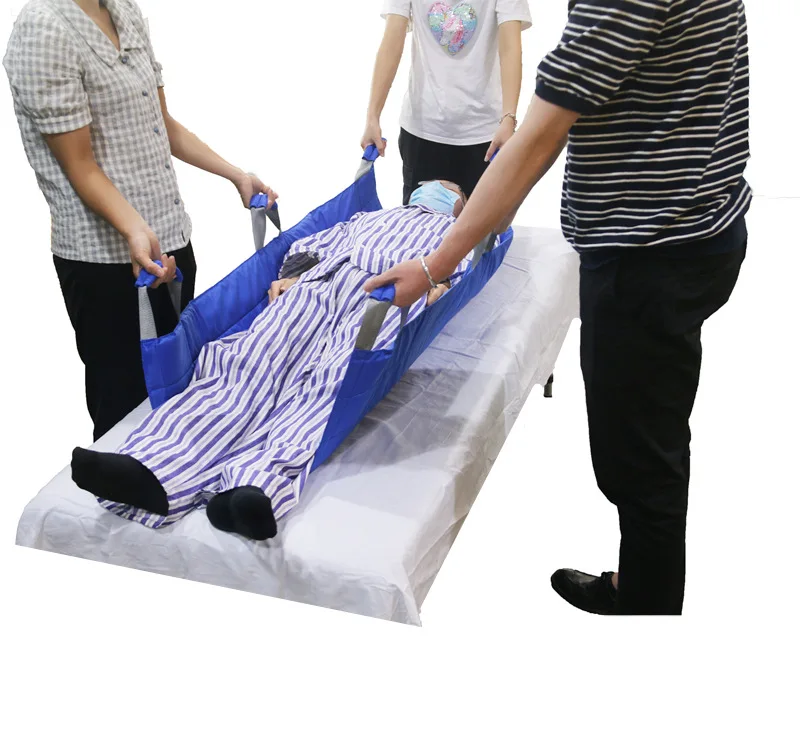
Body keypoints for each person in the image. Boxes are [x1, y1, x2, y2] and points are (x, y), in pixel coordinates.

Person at [366, 0, 752, 615]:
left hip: (650, 252)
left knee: (639, 454)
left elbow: (541, 136)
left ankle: (645, 605)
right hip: (699, 220)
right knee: (653, 430)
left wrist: (438, 263)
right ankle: (642, 579)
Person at [70, 180, 492, 541]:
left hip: (385, 301)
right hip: (321, 285)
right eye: (436, 185)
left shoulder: (456, 233)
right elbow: (316, 244)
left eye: (450, 188)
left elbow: (454, 274)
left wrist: (435, 292)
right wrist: (291, 275)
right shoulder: (370, 217)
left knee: (329, 381)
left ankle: (253, 489)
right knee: (251, 358)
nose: (439, 187)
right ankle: (153, 468)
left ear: (459, 205)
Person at [3, 0, 277, 441]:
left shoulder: (122, 10)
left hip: (166, 243)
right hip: (108, 263)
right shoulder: (43, 28)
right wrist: (134, 228)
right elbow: (79, 165)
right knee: (124, 410)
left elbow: (162, 124)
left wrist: (236, 175)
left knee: (180, 393)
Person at [362, 1, 532, 204]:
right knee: (420, 222)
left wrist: (509, 118)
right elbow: (392, 42)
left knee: (485, 222)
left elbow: (510, 48)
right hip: (422, 130)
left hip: (485, 135)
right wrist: (372, 117)